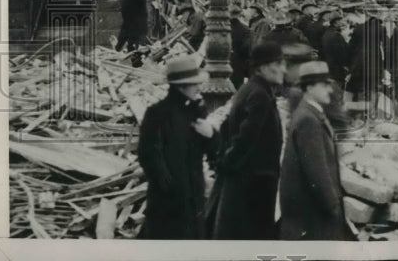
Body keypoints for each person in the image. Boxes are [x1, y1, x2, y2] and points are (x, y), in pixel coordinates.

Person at [208, 41, 286, 239]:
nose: (283, 69)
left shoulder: (249, 89)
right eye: (278, 63)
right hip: (254, 183)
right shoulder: (260, 95)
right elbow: (246, 137)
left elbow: (226, 127)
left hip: (246, 180)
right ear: (262, 67)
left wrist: (223, 160)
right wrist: (228, 162)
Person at [137, 54, 219, 238]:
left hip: (191, 201)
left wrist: (211, 134)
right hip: (169, 206)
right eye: (194, 83)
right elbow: (148, 157)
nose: (198, 87)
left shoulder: (194, 113)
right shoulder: (157, 115)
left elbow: (214, 150)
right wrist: (171, 190)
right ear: (182, 85)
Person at [279, 61, 355, 241]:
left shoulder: (310, 114)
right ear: (310, 87)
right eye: (324, 85)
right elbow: (317, 172)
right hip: (313, 218)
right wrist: (333, 208)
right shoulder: (308, 120)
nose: (329, 90)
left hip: (311, 215)